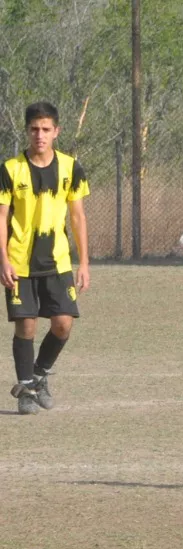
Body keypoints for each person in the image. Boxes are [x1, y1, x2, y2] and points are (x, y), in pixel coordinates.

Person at [0, 102, 90, 414]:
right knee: (25, 327)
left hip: (58, 262)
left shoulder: (70, 167)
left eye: (46, 129)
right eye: (34, 129)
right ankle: (26, 391)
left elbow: (78, 218)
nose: (40, 135)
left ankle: (38, 375)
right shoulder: (10, 169)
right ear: (27, 132)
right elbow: (1, 217)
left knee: (63, 324)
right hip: (19, 261)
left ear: (56, 132)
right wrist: (3, 260)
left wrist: (85, 263)